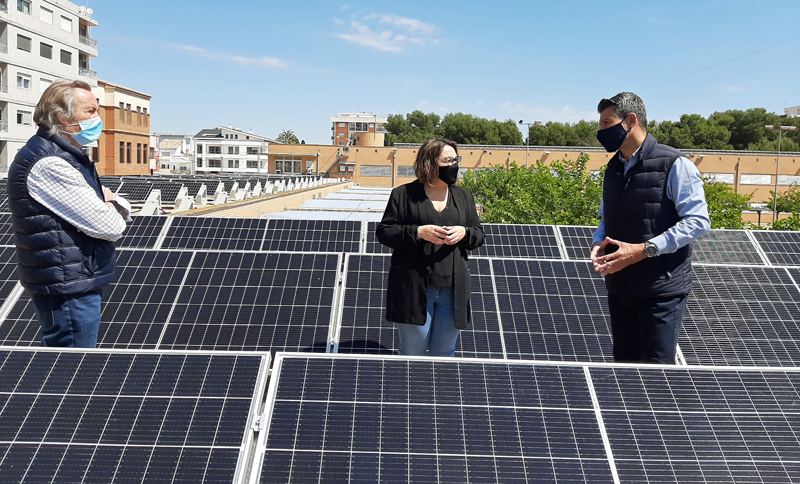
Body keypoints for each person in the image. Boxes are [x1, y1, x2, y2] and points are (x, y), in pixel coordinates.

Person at [8, 79, 130, 347]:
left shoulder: (67, 156)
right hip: (67, 286)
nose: (97, 118)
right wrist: (110, 204)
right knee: (72, 370)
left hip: (73, 279)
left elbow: (111, 213)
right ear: (62, 116)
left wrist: (110, 204)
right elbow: (110, 226)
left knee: (73, 369)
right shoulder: (50, 163)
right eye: (90, 111)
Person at [590, 92, 710, 364]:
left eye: (607, 123)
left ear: (630, 121)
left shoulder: (674, 164)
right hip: (621, 287)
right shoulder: (613, 168)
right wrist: (598, 243)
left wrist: (645, 250)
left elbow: (698, 221)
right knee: (626, 373)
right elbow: (606, 218)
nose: (601, 131)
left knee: (657, 380)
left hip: (660, 292)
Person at [376, 138, 484, 356]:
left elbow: (478, 234)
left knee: (444, 352)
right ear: (430, 163)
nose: (454, 165)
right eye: (448, 160)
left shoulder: (463, 197)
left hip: (453, 291)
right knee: (412, 352)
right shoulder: (403, 195)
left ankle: (440, 391)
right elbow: (384, 232)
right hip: (413, 289)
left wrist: (464, 233)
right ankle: (407, 390)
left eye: (456, 159)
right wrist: (418, 232)